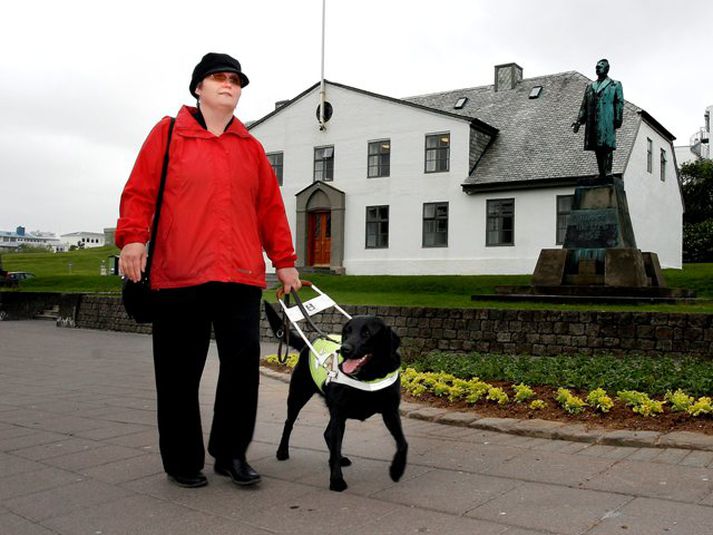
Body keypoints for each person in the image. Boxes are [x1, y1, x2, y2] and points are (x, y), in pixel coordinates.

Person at [116, 52, 301, 489]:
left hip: (239, 275)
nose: (229, 85)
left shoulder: (251, 148)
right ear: (198, 87)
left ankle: (231, 453)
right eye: (219, 78)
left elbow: (270, 210)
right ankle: (182, 460)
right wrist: (133, 237)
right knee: (179, 373)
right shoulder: (168, 134)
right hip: (179, 273)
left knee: (241, 369)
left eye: (236, 80)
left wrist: (286, 262)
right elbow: (139, 190)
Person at [572, 59, 624, 178]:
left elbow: (619, 102)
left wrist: (618, 119)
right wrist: (579, 121)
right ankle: (601, 173)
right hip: (593, 121)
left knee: (607, 145)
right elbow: (584, 105)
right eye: (596, 67)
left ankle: (608, 171)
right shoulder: (590, 86)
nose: (597, 69)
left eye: (600, 67)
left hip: (607, 119)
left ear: (607, 69)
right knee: (597, 146)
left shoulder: (615, 84)